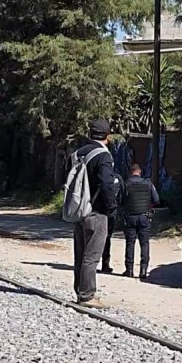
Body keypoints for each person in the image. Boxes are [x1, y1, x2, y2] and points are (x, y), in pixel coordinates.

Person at [72, 119, 117, 309]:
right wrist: (111, 206)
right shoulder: (103, 156)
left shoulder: (78, 153)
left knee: (80, 254)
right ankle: (87, 295)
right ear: (107, 135)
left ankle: (79, 290)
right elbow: (106, 183)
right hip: (96, 210)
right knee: (92, 255)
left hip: (78, 209)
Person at [122, 163, 160, 280]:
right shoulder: (148, 183)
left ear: (130, 172)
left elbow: (119, 200)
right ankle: (143, 270)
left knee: (130, 243)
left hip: (130, 217)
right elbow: (156, 200)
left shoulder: (126, 184)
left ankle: (129, 270)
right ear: (140, 172)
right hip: (144, 217)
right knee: (144, 243)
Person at [101, 172, 124, 274]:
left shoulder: (99, 176)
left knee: (95, 237)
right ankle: (105, 264)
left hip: (98, 211)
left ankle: (89, 264)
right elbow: (123, 193)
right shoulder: (118, 177)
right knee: (107, 237)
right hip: (112, 211)